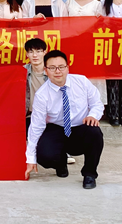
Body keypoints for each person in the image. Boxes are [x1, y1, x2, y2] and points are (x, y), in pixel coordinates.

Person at [25, 50, 104, 190]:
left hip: (81, 126)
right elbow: (36, 126)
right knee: (43, 156)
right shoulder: (42, 95)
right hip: (56, 128)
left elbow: (96, 103)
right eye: (52, 68)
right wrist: (30, 158)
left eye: (61, 67)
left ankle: (89, 174)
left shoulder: (82, 81)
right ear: (46, 70)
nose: (57, 71)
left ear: (67, 68)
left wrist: (93, 115)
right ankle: (60, 163)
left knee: (94, 132)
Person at [66, 0, 106, 104]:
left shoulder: (97, 4)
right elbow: (63, 25)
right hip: (73, 46)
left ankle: (95, 106)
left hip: (91, 46)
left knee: (92, 76)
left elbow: (102, 27)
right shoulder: (69, 3)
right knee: (75, 75)